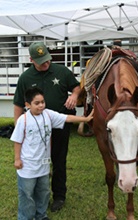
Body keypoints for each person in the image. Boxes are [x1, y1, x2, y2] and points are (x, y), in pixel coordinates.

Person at [13, 41, 81, 212]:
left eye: (47, 59)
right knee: (36, 159)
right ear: (31, 59)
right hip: (35, 128)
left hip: (58, 124)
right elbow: (18, 104)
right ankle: (37, 194)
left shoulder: (62, 71)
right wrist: (18, 129)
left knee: (58, 160)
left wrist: (74, 95)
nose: (46, 63)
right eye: (41, 61)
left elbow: (77, 87)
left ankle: (59, 196)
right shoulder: (25, 78)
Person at [10, 87, 93, 220]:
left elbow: (67, 118)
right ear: (27, 105)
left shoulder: (48, 114)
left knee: (43, 192)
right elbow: (17, 141)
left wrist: (86, 119)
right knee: (27, 194)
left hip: (43, 166)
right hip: (27, 166)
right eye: (37, 103)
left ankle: (41, 215)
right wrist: (17, 159)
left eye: (43, 102)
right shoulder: (23, 120)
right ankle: (25, 217)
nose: (41, 105)